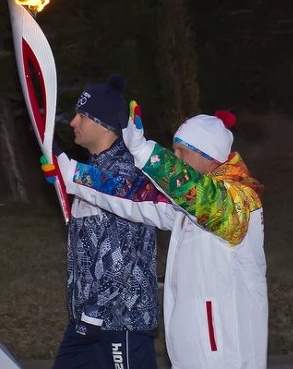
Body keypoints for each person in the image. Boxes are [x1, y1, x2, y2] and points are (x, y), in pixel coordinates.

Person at [56, 105, 268, 369]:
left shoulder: (236, 202)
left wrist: (147, 153)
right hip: (194, 345)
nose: (175, 157)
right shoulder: (188, 204)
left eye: (183, 152)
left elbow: (197, 193)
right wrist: (75, 175)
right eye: (173, 150)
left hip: (226, 347)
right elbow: (134, 197)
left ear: (211, 159)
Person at [50, 74, 160, 369]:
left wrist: (93, 313)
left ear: (104, 124)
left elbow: (119, 255)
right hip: (87, 320)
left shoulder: (125, 175)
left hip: (119, 321)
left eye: (82, 116)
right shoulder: (95, 170)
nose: (73, 122)